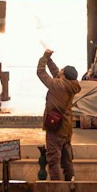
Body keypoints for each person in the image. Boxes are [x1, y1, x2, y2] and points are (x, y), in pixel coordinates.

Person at [37, 47, 81, 181]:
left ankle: (57, 188)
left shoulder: (57, 85)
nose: (59, 71)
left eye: (61, 71)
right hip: (67, 128)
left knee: (53, 159)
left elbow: (40, 72)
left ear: (63, 76)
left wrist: (44, 57)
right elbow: (56, 72)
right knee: (67, 158)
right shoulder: (71, 85)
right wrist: (50, 59)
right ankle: (70, 183)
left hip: (56, 127)